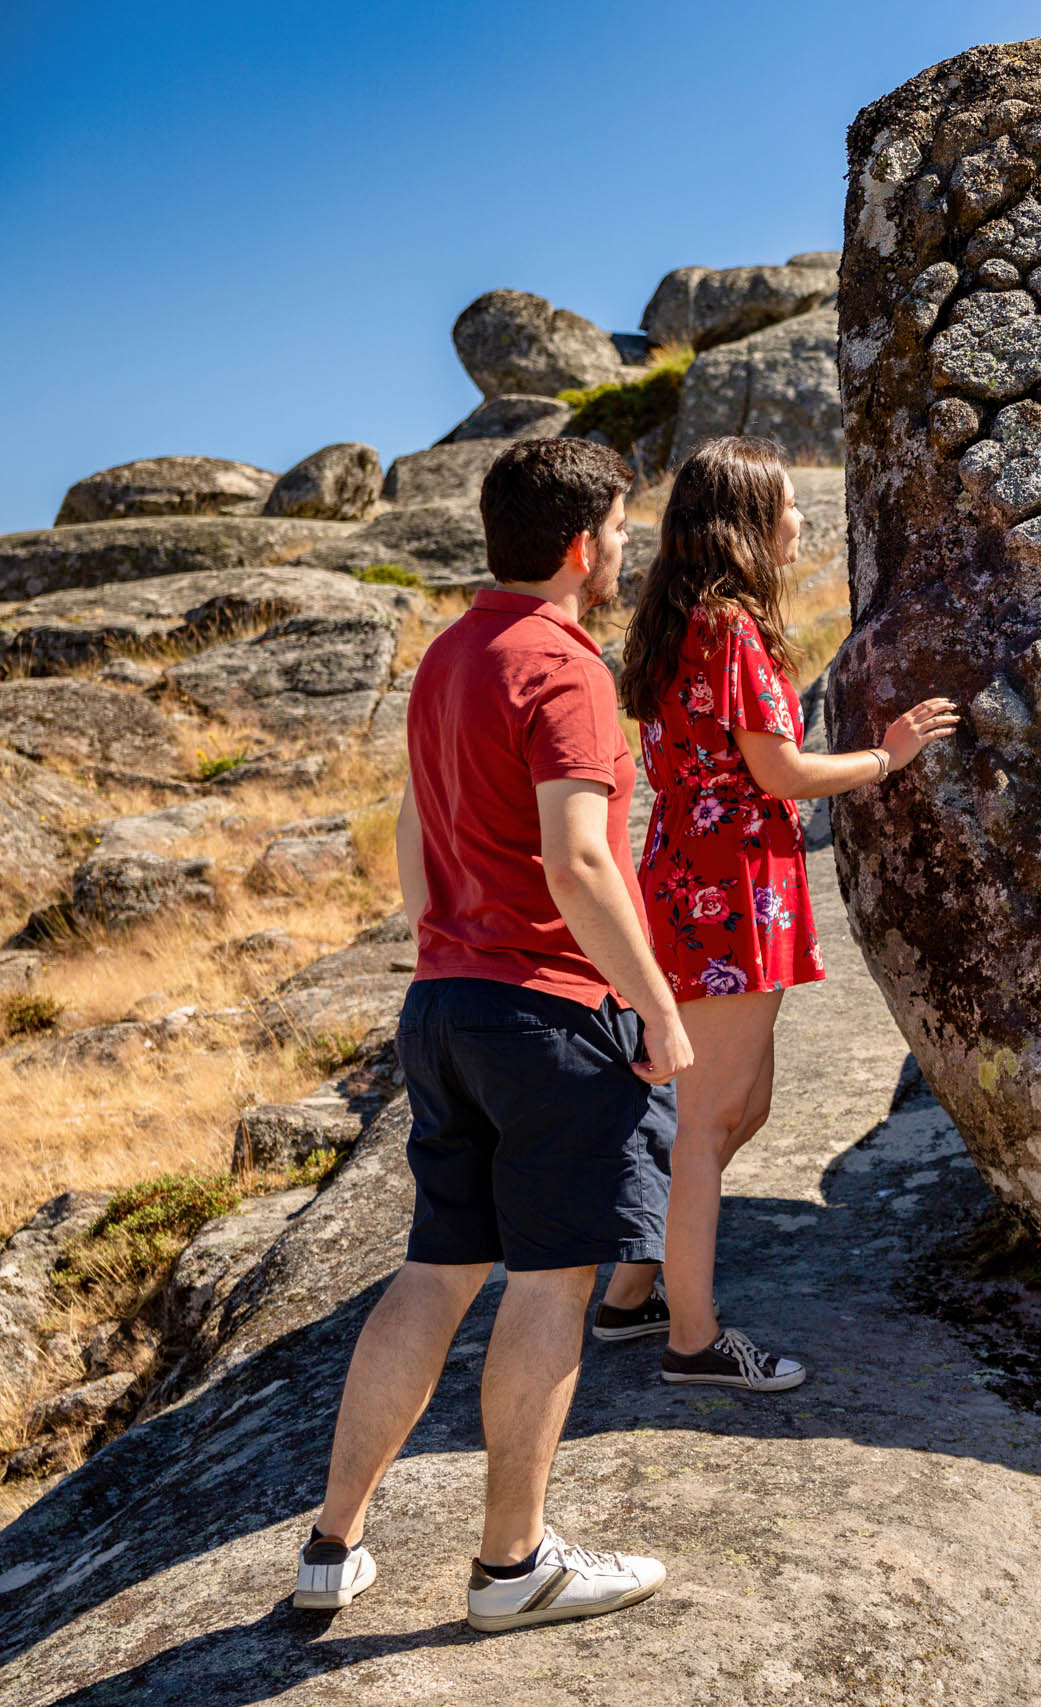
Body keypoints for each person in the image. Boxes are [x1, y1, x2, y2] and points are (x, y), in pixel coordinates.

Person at [294, 437, 686, 1632]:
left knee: (435, 1271)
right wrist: (656, 1008)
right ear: (580, 547)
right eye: (619, 532)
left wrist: (451, 948)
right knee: (555, 1280)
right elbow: (578, 858)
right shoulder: (563, 669)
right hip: (551, 1014)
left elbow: (417, 842)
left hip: (445, 1002)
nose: (625, 550)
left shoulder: (447, 657)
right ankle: (513, 1568)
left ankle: (331, 1546)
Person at [591, 435, 955, 1391]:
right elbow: (781, 773)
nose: (800, 519)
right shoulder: (732, 630)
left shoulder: (673, 622)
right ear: (749, 522)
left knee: (733, 1109)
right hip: (730, 890)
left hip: (692, 873)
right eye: (786, 505)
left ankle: (633, 1294)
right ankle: (693, 1341)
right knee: (710, 1122)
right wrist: (889, 755)